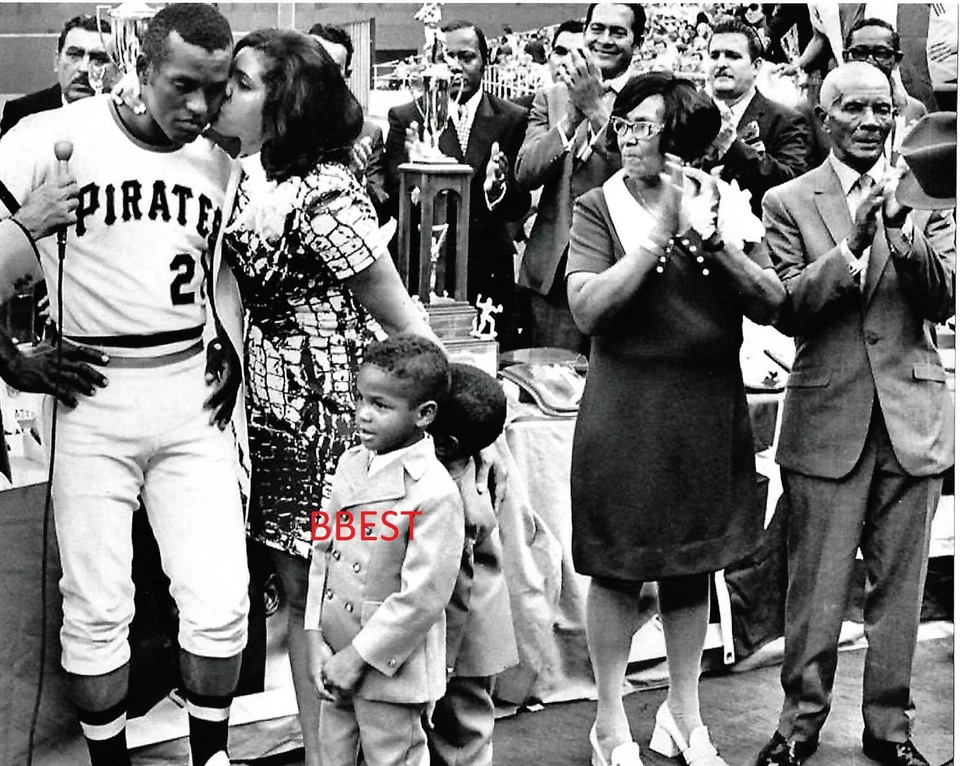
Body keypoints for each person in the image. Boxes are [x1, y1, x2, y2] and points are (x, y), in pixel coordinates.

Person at [0, 5, 248, 766]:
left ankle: (212, 756)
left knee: (220, 602)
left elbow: (222, 273)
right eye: (182, 87)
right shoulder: (48, 139)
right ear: (140, 67)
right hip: (90, 398)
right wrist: (8, 357)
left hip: (188, 396)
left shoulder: (220, 161)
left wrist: (229, 344)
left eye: (215, 89)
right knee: (98, 607)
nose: (200, 108)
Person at [210, 28, 440, 766]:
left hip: (340, 420)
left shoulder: (327, 193)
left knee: (342, 596)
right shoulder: (238, 176)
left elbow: (404, 320)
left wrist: (443, 428)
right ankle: (322, 752)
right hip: (273, 416)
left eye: (241, 84)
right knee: (303, 593)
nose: (223, 95)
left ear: (285, 105)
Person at [566, 72, 785, 766]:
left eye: (648, 127)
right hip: (627, 407)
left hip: (706, 407)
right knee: (620, 566)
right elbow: (588, 310)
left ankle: (682, 715)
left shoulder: (724, 201)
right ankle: (609, 721)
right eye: (625, 123)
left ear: (683, 139)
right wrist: (656, 237)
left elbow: (771, 299)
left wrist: (710, 238)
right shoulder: (598, 206)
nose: (632, 138)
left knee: (693, 564)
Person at [754, 62, 954, 766]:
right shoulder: (786, 200)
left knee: (900, 592)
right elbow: (787, 309)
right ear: (824, 116)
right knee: (816, 587)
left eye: (881, 110)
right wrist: (851, 244)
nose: (870, 123)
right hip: (828, 417)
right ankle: (797, 728)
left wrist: (901, 231)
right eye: (854, 110)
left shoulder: (934, 191)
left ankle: (890, 730)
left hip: (913, 418)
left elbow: (944, 300)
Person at [304, 335, 463, 766]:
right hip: (335, 652)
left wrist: (358, 658)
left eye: (381, 405)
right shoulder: (349, 463)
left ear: (424, 414)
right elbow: (323, 549)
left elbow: (422, 598)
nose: (363, 414)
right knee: (333, 755)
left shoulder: (434, 492)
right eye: (360, 399)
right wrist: (315, 635)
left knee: (392, 758)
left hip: (390, 668)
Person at [385, 19, 530, 349]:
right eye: (445, 58)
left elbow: (519, 203)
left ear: (485, 60)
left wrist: (498, 189)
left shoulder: (512, 118)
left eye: (466, 57)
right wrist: (417, 183)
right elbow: (393, 198)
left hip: (487, 269)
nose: (456, 68)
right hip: (422, 268)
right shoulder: (407, 116)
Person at [514, 3, 645, 355]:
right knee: (553, 391)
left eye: (618, 32)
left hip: (624, 273)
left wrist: (595, 110)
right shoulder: (551, 95)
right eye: (597, 29)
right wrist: (569, 120)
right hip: (555, 274)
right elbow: (525, 172)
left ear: (639, 41)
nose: (604, 39)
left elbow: (642, 175)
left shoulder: (651, 99)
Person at [427, 362, 518, 766]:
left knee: (462, 732)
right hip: (474, 630)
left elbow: (459, 587)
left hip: (461, 637)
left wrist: (444, 662)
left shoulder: (453, 499)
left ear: (443, 442)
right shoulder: (474, 460)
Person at [703, 17, 810, 215]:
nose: (721, 63)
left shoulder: (786, 120)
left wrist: (731, 146)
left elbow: (792, 185)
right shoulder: (691, 115)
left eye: (733, 56)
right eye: (714, 55)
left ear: (756, 66)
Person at [308, 22, 390, 225]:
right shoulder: (277, 125)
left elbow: (383, 210)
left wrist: (357, 180)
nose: (321, 76)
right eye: (315, 64)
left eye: (332, 69)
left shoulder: (367, 135)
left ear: (347, 75)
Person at [1, 13, 112, 136]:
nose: (84, 68)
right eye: (74, 55)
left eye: (99, 59)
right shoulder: (22, 112)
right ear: (56, 61)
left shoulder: (124, 117)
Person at [843, 18, 925, 158]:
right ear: (846, 57)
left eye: (881, 53)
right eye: (860, 53)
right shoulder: (824, 111)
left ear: (897, 59)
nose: (870, 60)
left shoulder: (913, 111)